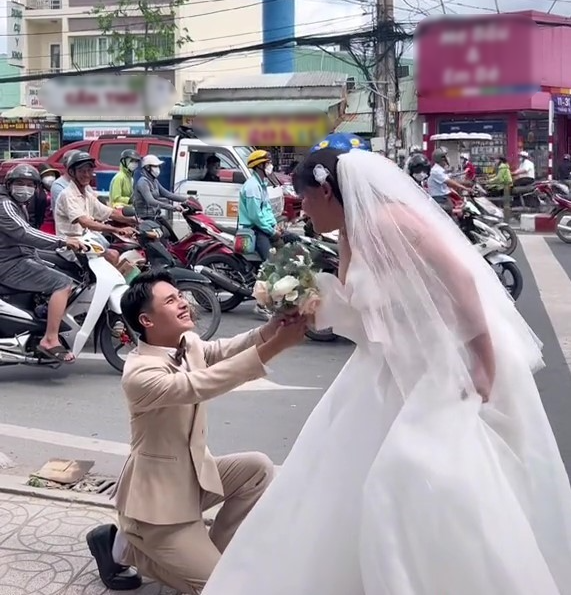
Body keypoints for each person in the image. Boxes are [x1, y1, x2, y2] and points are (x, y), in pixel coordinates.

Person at [200, 135, 571, 595]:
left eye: (307, 201)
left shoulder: (394, 221)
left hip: (436, 369)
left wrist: (483, 360)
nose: (304, 211)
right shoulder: (351, 231)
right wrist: (311, 303)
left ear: (327, 192)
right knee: (335, 483)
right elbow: (363, 311)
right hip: (382, 370)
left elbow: (463, 283)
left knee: (406, 476)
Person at [86, 271, 307, 592]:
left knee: (257, 468)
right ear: (146, 320)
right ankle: (127, 546)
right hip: (156, 508)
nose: (183, 303)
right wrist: (273, 348)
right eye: (171, 300)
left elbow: (217, 352)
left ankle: (207, 553)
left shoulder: (186, 342)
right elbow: (199, 384)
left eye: (180, 296)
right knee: (223, 588)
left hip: (192, 479)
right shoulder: (139, 373)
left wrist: (272, 329)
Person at [0, 164, 85, 363]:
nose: (25, 188)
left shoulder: (18, 204)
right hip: (7, 263)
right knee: (63, 283)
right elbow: (24, 233)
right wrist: (61, 242)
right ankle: (50, 339)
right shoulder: (4, 204)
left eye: (30, 184)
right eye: (20, 183)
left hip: (18, 256)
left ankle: (42, 318)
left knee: (63, 272)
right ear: (9, 184)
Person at [54, 151, 136, 266]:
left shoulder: (86, 193)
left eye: (89, 170)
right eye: (82, 171)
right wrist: (116, 230)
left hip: (88, 239)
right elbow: (85, 222)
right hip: (72, 244)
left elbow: (110, 213)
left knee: (122, 249)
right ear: (72, 173)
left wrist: (134, 220)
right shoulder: (68, 194)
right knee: (112, 255)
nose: (87, 174)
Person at [238, 150, 278, 261]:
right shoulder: (252, 186)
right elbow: (255, 216)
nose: (271, 166)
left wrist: (274, 225)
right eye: (268, 163)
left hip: (264, 228)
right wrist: (272, 232)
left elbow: (267, 208)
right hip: (255, 230)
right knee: (271, 262)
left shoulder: (262, 184)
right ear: (260, 165)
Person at [132, 155, 188, 234]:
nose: (158, 169)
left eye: (158, 166)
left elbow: (167, 194)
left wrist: (187, 199)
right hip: (146, 218)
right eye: (155, 166)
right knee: (162, 240)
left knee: (171, 236)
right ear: (147, 168)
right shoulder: (143, 182)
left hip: (155, 216)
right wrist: (173, 208)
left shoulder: (154, 181)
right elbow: (151, 201)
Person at [426, 147, 469, 215]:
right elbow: (450, 182)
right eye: (446, 156)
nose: (448, 158)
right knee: (455, 217)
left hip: (444, 198)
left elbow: (451, 179)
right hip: (440, 199)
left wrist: (465, 184)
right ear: (442, 159)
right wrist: (466, 188)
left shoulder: (440, 170)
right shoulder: (436, 171)